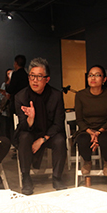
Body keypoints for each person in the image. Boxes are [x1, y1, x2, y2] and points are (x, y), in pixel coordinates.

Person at [15, 57, 67, 195]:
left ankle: (57, 177)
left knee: (60, 140)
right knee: (24, 137)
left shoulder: (56, 96)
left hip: (49, 133)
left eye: (39, 77)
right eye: (32, 76)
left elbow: (58, 123)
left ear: (47, 79)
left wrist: (42, 139)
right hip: (30, 131)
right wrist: (30, 119)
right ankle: (26, 178)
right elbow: (22, 125)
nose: (35, 80)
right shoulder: (21, 97)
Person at [74, 65, 107, 177]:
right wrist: (91, 132)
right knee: (82, 139)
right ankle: (87, 162)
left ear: (104, 79)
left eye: (97, 75)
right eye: (90, 75)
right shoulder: (80, 95)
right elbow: (79, 119)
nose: (93, 78)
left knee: (105, 138)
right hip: (86, 129)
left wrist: (98, 132)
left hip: (105, 129)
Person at [0, 68, 13, 138]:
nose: (9, 75)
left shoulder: (14, 84)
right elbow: (1, 97)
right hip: (5, 109)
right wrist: (5, 95)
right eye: (8, 73)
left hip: (13, 108)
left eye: (11, 73)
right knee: (6, 127)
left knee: (13, 125)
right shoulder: (4, 84)